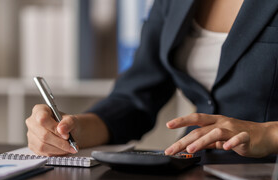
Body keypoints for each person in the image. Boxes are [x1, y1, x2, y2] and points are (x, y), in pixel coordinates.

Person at [26, 0, 278, 159]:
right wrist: (72, 129)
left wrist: (268, 134)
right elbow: (135, 99)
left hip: (266, 178)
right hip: (193, 171)